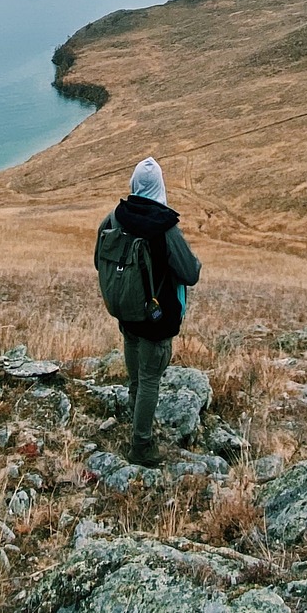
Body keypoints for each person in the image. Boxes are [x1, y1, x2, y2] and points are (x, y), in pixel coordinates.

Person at [97, 156, 201, 467]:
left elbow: (99, 261)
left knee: (136, 379)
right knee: (150, 379)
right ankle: (141, 445)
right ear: (160, 187)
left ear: (134, 185)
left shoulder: (113, 218)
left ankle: (136, 424)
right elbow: (190, 273)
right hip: (158, 319)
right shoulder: (165, 228)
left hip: (127, 314)